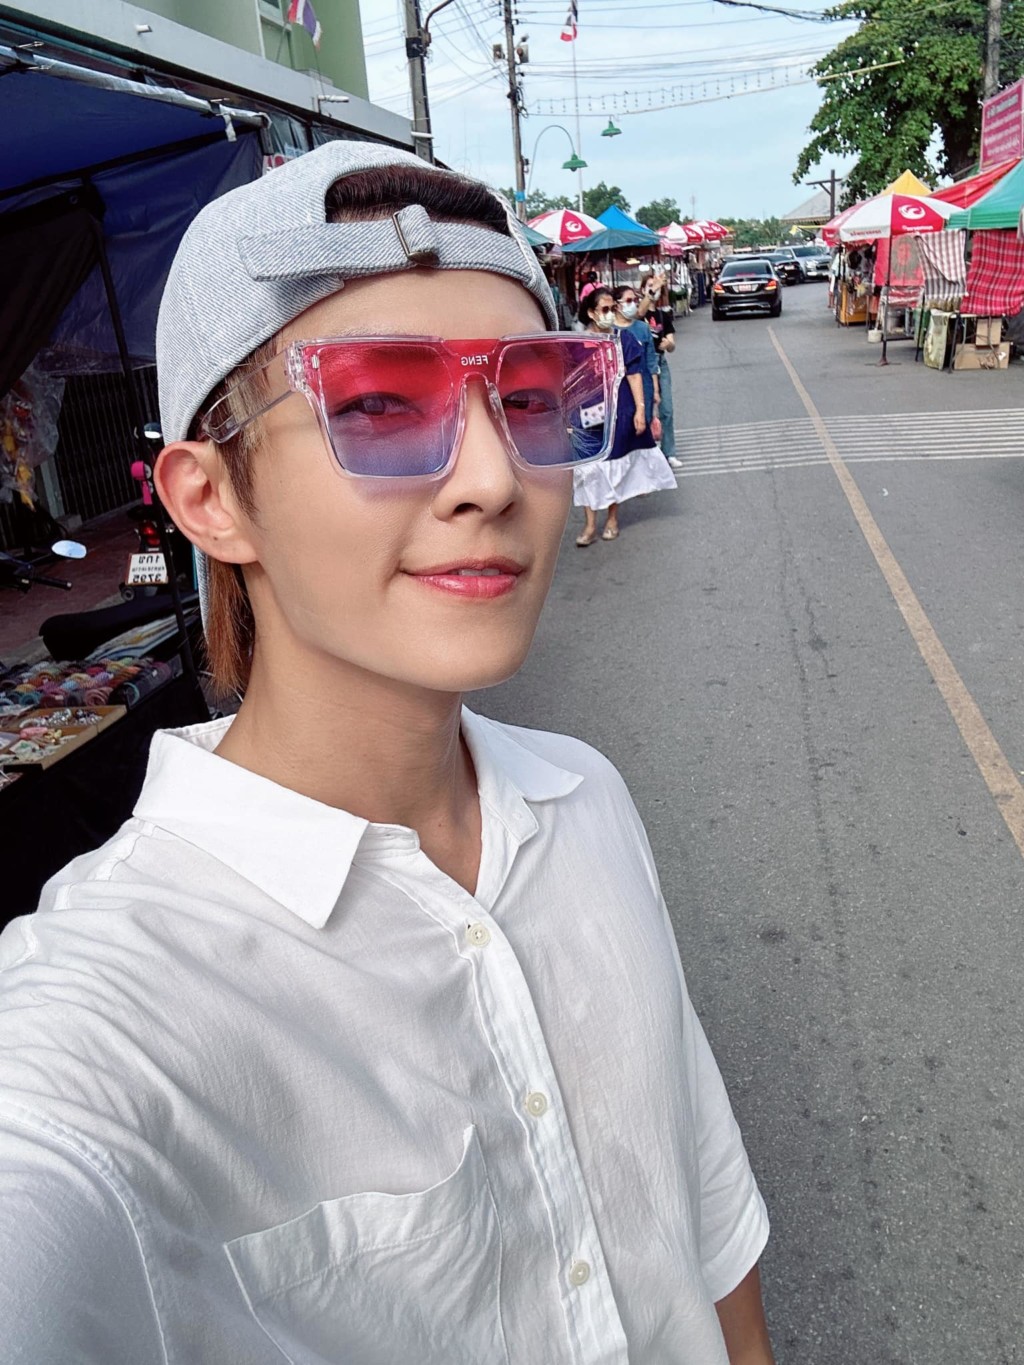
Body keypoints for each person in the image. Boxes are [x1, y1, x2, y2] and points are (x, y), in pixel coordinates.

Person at [0, 142, 774, 1365]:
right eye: (376, 405)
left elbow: (705, 1223)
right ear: (211, 500)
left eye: (530, 398)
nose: (493, 478)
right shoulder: (97, 1039)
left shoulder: (585, 800)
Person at [572, 290, 677, 546]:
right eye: (604, 309)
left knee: (613, 465)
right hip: (587, 415)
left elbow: (634, 375)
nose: (610, 314)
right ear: (591, 313)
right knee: (587, 468)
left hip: (619, 411)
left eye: (612, 308)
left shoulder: (623, 339)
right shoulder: (577, 344)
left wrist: (640, 409)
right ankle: (589, 525)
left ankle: (612, 519)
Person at [640, 273, 683, 472]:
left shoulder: (663, 316)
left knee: (667, 410)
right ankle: (648, 454)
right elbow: (639, 312)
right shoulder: (638, 315)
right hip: (643, 366)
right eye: (649, 286)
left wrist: (669, 344)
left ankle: (669, 452)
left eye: (656, 287)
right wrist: (654, 287)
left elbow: (672, 344)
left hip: (660, 362)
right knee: (646, 411)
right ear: (643, 289)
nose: (655, 290)